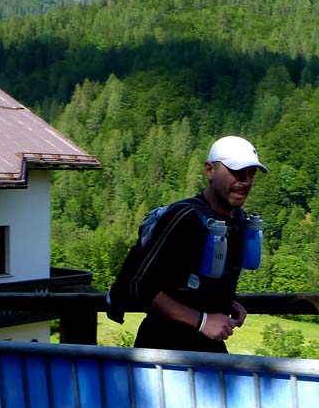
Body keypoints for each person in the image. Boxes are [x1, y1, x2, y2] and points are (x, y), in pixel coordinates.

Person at [112, 135, 267, 353]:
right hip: (163, 348)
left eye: (251, 173)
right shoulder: (184, 217)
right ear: (209, 170)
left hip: (206, 345)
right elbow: (140, 286)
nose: (245, 181)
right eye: (236, 171)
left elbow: (189, 282)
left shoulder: (237, 221)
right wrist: (202, 321)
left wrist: (227, 301)